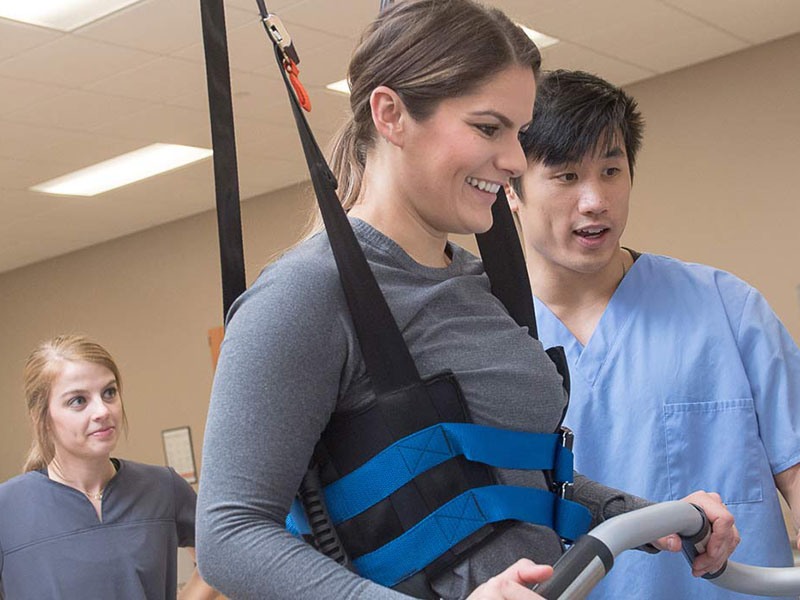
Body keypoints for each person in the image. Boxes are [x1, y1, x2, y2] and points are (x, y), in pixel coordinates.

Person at [195, 3, 737, 599]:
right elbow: (230, 535)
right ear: (391, 114)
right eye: (488, 128)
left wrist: (651, 516)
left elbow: (505, 478)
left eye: (519, 133)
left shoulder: (482, 284)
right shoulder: (306, 296)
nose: (513, 161)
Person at [508, 69, 800, 599]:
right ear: (512, 188)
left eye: (612, 170)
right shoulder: (484, 335)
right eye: (566, 176)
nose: (595, 199)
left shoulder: (726, 308)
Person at [0, 334, 219, 600]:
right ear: (42, 418)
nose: (103, 411)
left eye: (109, 392)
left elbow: (221, 553)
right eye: (78, 400)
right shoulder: (7, 509)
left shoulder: (163, 487)